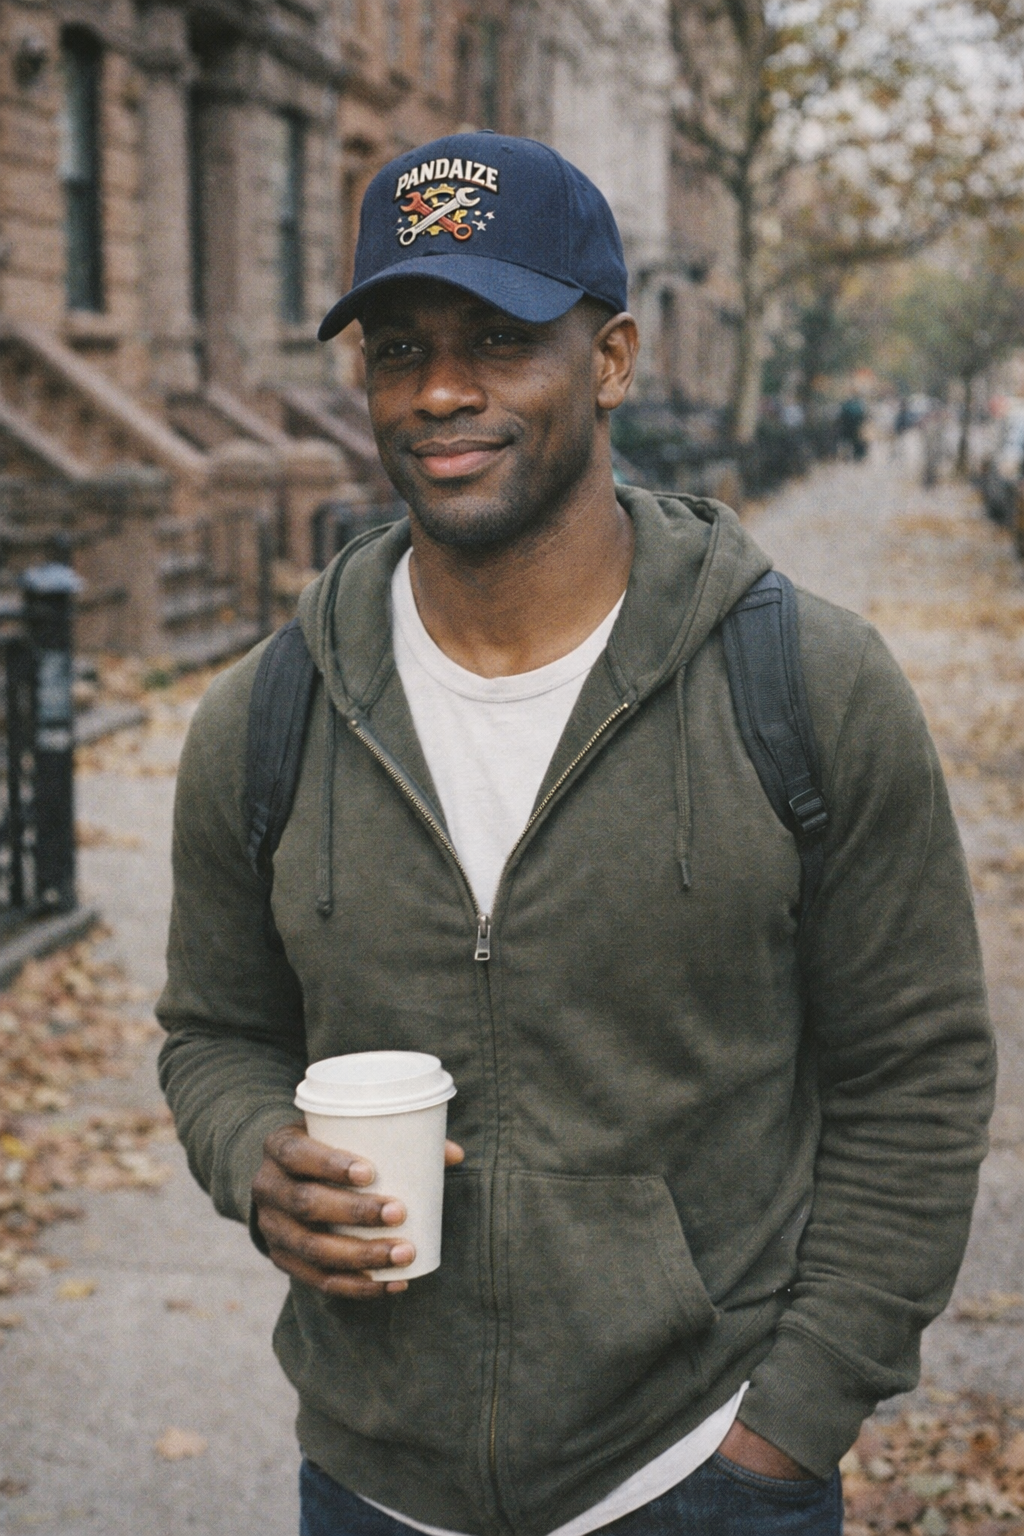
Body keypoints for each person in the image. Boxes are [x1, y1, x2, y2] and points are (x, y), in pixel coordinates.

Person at [157, 133, 995, 1536]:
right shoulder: (266, 715)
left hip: (700, 1474)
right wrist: (255, 1154)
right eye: (397, 347)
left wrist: (788, 1428)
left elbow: (918, 1076)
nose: (438, 391)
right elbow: (213, 1034)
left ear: (610, 359)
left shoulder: (806, 688)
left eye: (499, 338)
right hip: (373, 1485)